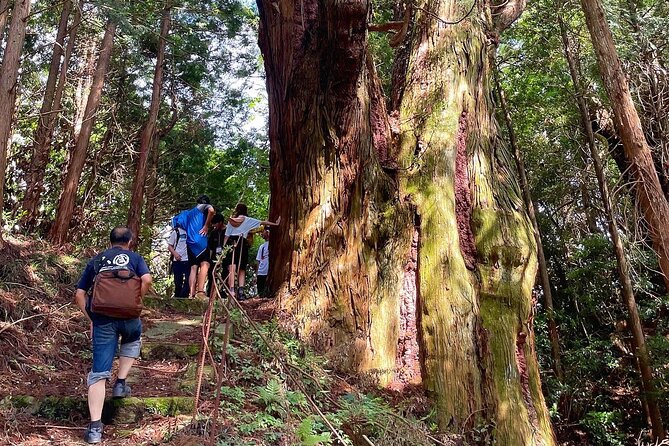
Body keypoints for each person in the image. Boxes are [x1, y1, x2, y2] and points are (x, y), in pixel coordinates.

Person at [74, 227, 152, 444]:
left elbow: (79, 294)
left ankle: (95, 429)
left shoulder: (97, 260)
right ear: (129, 241)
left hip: (102, 320)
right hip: (130, 317)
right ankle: (120, 383)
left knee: (98, 373)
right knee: (133, 339)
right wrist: (136, 301)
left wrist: (91, 319)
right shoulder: (135, 258)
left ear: (110, 241)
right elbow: (147, 280)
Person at [223, 203, 280, 300]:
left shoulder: (230, 221)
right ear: (245, 211)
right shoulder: (247, 220)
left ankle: (232, 290)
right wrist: (276, 223)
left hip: (231, 243)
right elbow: (263, 222)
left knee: (231, 267)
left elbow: (226, 236)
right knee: (242, 268)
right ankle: (241, 292)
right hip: (241, 242)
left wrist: (223, 250)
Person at [172, 195, 216, 299]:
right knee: (205, 264)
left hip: (190, 242)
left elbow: (177, 222)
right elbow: (211, 211)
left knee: (193, 267)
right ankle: (200, 292)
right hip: (200, 240)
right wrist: (206, 225)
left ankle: (191, 294)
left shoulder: (188, 213)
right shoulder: (204, 206)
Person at [206, 214, 226, 296]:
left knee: (224, 273)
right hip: (214, 257)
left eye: (215, 223)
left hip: (224, 257)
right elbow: (210, 247)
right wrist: (209, 260)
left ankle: (222, 291)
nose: (214, 226)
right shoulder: (213, 233)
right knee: (212, 274)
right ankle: (210, 291)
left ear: (220, 222)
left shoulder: (228, 231)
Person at [166, 226, 189, 298]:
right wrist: (175, 254)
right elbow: (170, 246)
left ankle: (184, 297)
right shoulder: (176, 232)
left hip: (188, 260)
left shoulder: (190, 230)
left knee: (188, 280)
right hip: (177, 260)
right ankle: (177, 297)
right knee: (178, 281)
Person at [255, 228, 270, 298]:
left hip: (268, 272)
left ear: (268, 232)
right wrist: (257, 273)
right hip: (261, 272)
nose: (262, 233)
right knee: (260, 292)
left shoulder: (273, 245)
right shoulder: (262, 246)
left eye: (263, 231)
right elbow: (258, 260)